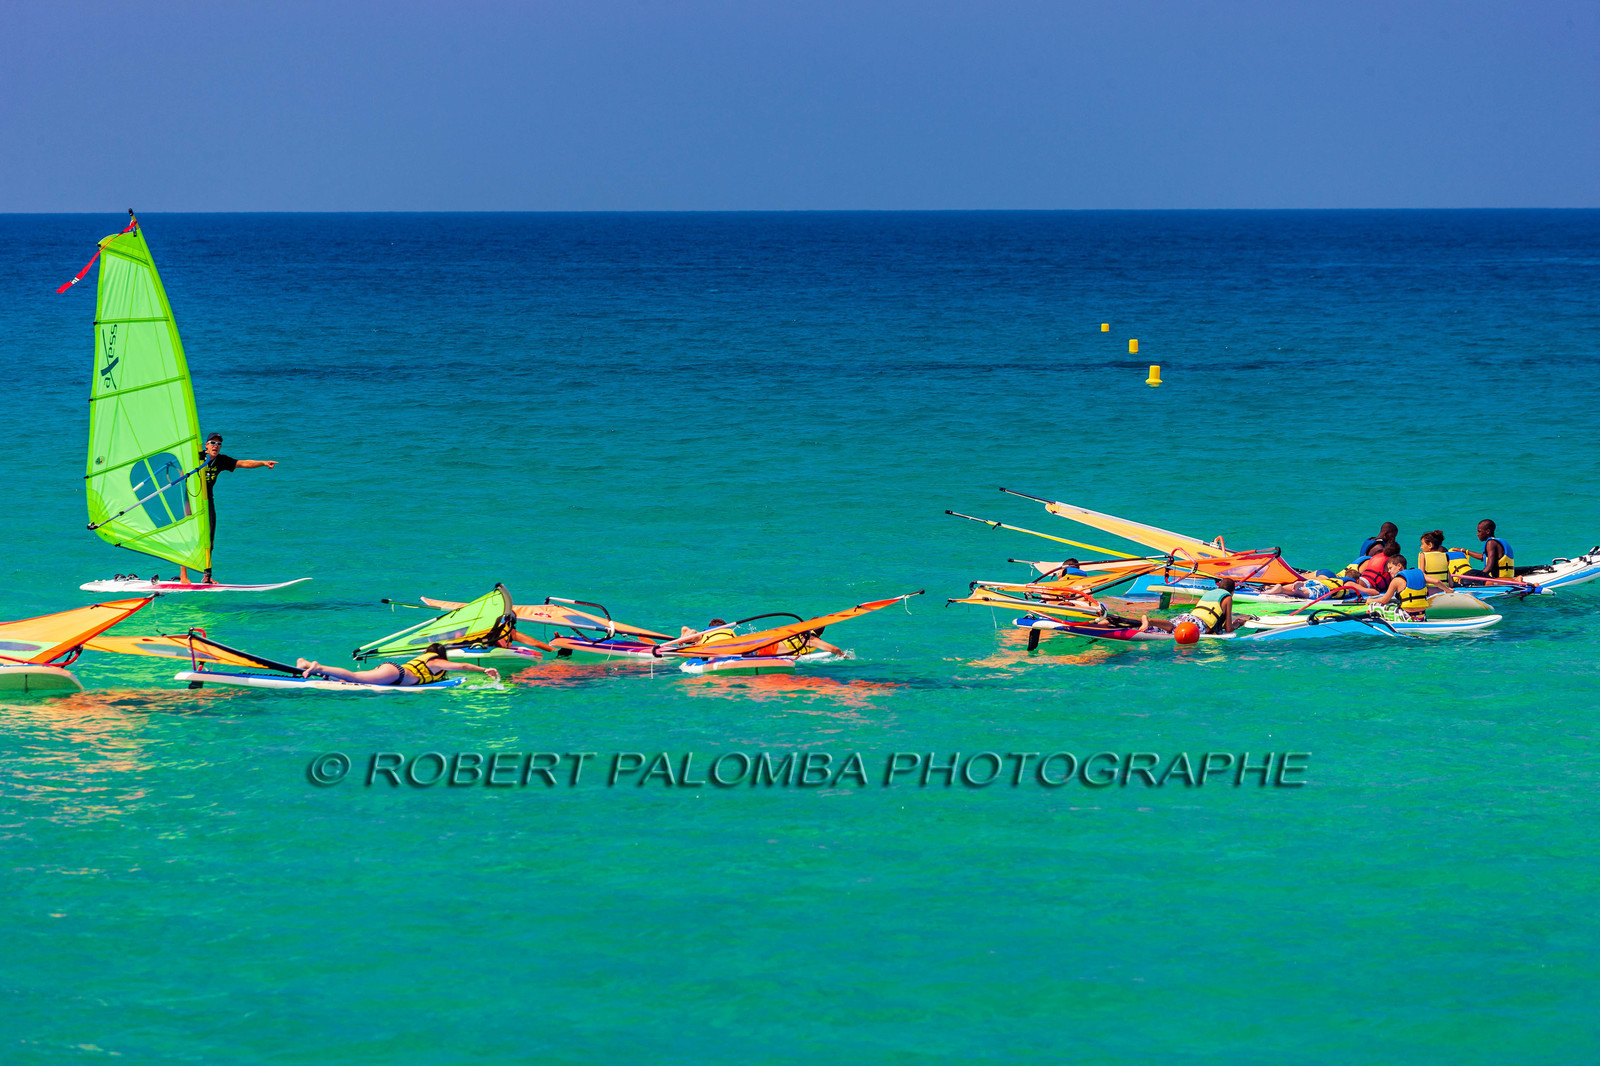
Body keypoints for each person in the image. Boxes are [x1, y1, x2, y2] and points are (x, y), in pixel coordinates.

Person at [179, 433, 279, 585]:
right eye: (212, 443)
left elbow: (243, 463)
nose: (215, 446)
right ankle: (183, 576)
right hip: (191, 500)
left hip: (207, 502)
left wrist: (263, 463)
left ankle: (206, 576)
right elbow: (180, 466)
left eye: (219, 444)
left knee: (209, 540)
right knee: (189, 537)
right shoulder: (195, 456)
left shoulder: (221, 460)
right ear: (206, 445)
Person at [297, 642, 499, 686]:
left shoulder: (429, 660)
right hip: (396, 675)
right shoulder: (437, 662)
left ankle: (309, 666)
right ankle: (318, 666)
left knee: (352, 679)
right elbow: (462, 667)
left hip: (393, 671)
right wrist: (484, 670)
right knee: (356, 677)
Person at [1368, 556, 1430, 620]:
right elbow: (1436, 581)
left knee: (1374, 605)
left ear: (1399, 566)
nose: (1389, 571)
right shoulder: (1418, 576)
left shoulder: (1396, 580)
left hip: (1406, 617)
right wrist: (1441, 589)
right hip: (1422, 616)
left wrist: (1371, 600)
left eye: (1390, 568)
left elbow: (1384, 600)